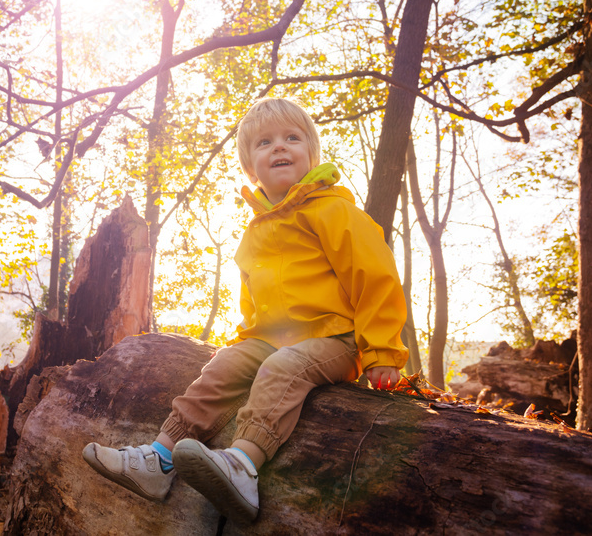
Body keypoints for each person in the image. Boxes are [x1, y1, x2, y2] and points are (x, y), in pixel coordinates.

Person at [83, 96, 408, 523]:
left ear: (311, 154)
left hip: (335, 338)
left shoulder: (333, 211)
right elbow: (254, 298)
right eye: (265, 143)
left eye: (292, 138)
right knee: (221, 369)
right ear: (250, 167)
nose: (279, 147)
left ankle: (243, 464)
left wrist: (382, 351)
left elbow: (375, 276)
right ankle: (159, 460)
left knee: (283, 368)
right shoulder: (256, 231)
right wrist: (242, 342)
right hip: (272, 338)